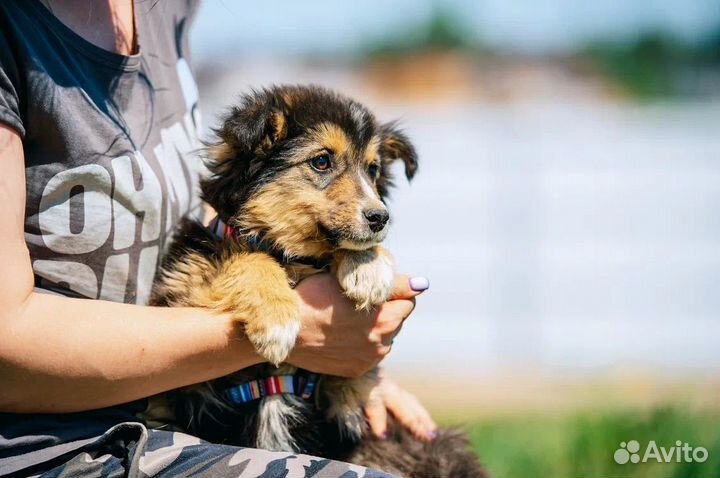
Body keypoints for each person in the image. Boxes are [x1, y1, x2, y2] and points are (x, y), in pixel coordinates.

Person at [0, 1, 436, 477]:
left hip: (174, 407)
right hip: (51, 447)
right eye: (323, 164)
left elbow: (225, 209)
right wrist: (299, 333)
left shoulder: (165, 9)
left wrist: (351, 359)